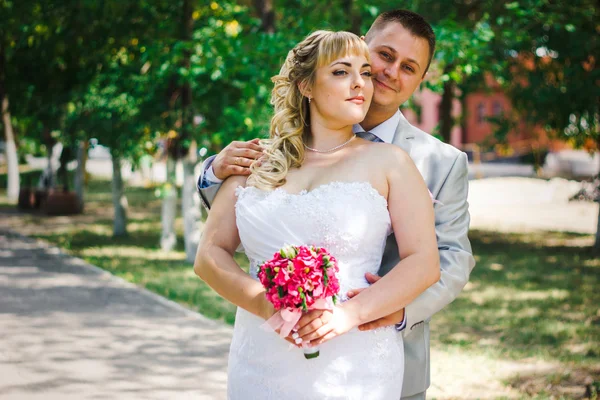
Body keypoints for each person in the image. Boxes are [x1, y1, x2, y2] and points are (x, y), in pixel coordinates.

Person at [197, 10, 476, 400]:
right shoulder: (266, 155)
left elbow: (447, 259)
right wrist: (211, 173)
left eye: (409, 67)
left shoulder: (426, 162)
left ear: (419, 79)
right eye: (382, 56)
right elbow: (224, 239)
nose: (386, 73)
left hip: (367, 351)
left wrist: (389, 312)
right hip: (263, 355)